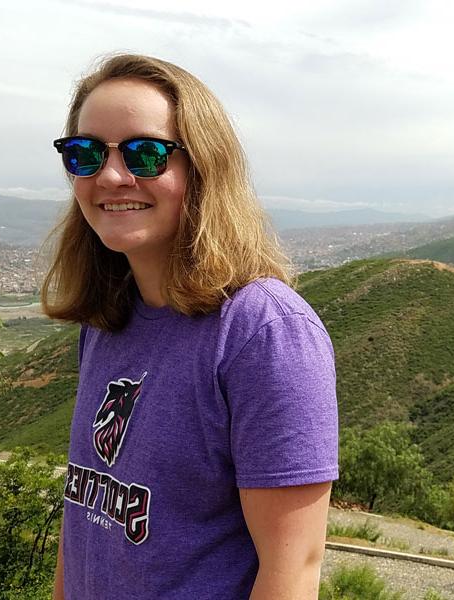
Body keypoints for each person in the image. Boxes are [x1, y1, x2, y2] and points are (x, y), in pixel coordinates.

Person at [43, 53, 338, 599]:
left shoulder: (263, 332)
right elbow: (85, 521)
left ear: (204, 167)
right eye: (85, 153)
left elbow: (292, 572)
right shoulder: (109, 317)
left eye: (147, 152)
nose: (110, 175)